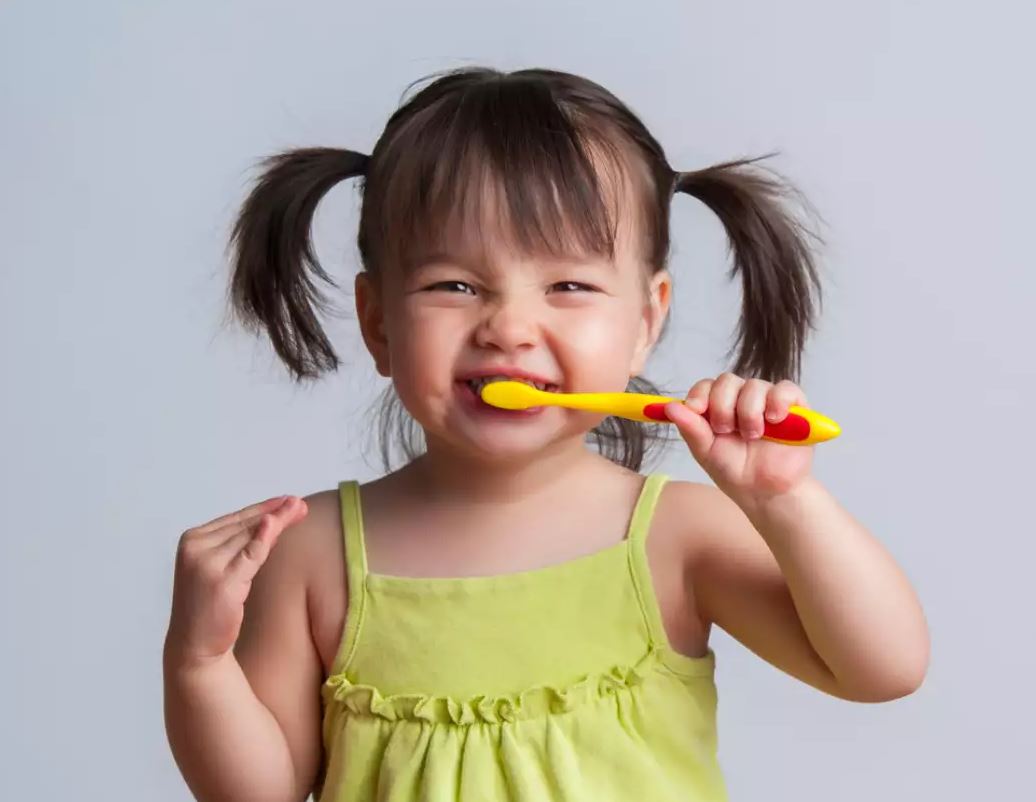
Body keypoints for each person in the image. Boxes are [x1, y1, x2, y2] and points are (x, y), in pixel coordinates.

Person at [163, 67, 929, 802]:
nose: (509, 328)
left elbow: (881, 668)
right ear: (378, 323)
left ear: (645, 321)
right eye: (453, 286)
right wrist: (198, 661)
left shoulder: (674, 538)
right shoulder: (313, 552)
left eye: (568, 286)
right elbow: (256, 791)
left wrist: (786, 501)